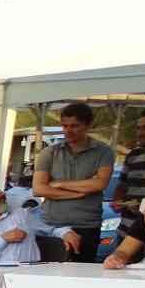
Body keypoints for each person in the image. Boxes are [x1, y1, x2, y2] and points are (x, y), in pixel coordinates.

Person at [32, 101, 112, 263]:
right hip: (52, 225)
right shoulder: (49, 152)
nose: (68, 130)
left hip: (87, 225)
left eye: (75, 126)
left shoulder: (103, 151)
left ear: (88, 125)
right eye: (65, 126)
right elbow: (39, 189)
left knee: (81, 276)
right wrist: (80, 191)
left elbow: (100, 184)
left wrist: (59, 184)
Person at [0, 182, 80, 264]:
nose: (2, 193)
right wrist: (2, 239)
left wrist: (66, 232)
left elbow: (52, 228)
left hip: (29, 276)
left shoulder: (22, 214)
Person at [112, 110, 145, 222]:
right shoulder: (134, 155)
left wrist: (143, 207)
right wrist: (118, 201)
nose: (140, 133)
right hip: (126, 228)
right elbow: (122, 186)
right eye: (138, 128)